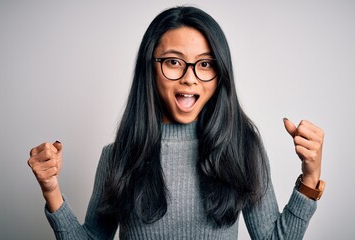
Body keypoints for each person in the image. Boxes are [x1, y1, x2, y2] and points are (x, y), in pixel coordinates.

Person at [27, 6, 325, 240]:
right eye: (173, 61)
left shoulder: (242, 147)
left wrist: (310, 176)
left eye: (205, 64)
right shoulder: (118, 155)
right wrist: (51, 189)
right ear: (151, 68)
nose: (190, 76)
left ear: (220, 74)